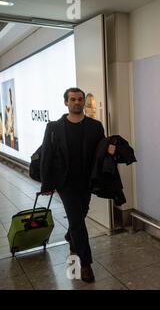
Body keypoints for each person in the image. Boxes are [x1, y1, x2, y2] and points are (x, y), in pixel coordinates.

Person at [40, 87, 115, 283]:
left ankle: (70, 236)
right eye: (72, 99)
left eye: (80, 99)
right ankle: (86, 264)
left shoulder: (95, 126)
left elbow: (100, 152)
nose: (77, 102)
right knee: (77, 221)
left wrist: (111, 148)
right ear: (66, 102)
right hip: (65, 183)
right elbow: (46, 156)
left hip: (86, 181)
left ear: (84, 102)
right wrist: (47, 184)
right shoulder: (54, 127)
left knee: (80, 215)